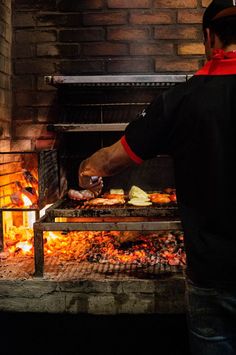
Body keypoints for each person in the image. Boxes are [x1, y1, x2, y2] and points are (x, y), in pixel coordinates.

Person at [78, 1, 236, 353]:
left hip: (211, 274)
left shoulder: (180, 100)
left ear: (209, 39)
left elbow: (106, 163)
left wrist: (86, 170)